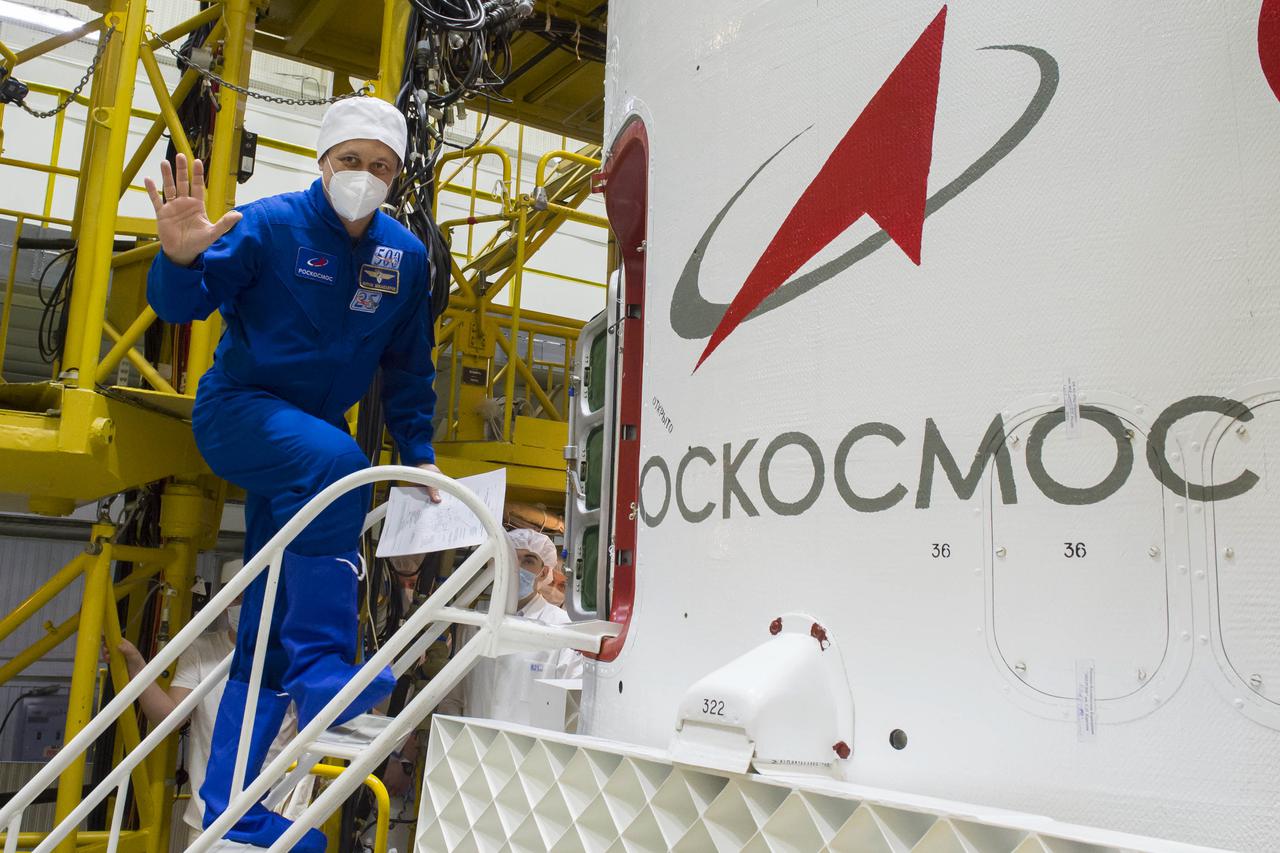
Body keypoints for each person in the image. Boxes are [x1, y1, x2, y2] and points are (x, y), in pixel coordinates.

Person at [145, 96, 442, 851]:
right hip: (242, 410)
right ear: (323, 160)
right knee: (343, 461)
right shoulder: (270, 224)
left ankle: (231, 803)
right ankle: (326, 673)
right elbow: (183, 301)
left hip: (312, 446)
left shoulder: (404, 257)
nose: (364, 177)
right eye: (351, 161)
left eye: (381, 167)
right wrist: (178, 257)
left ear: (396, 176)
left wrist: (420, 452)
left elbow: (409, 368)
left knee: (266, 626)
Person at [111, 561, 298, 849]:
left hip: (276, 816)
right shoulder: (202, 651)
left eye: (251, 596)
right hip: (207, 821)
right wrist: (136, 665)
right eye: (235, 596)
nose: (242, 604)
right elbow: (169, 717)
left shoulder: (291, 657)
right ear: (224, 601)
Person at [440, 530, 583, 726]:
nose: (516, 567)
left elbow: (573, 706)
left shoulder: (562, 627)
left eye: (528, 560)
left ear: (543, 572)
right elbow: (453, 696)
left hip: (531, 752)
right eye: (510, 558)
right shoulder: (474, 623)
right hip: (473, 748)